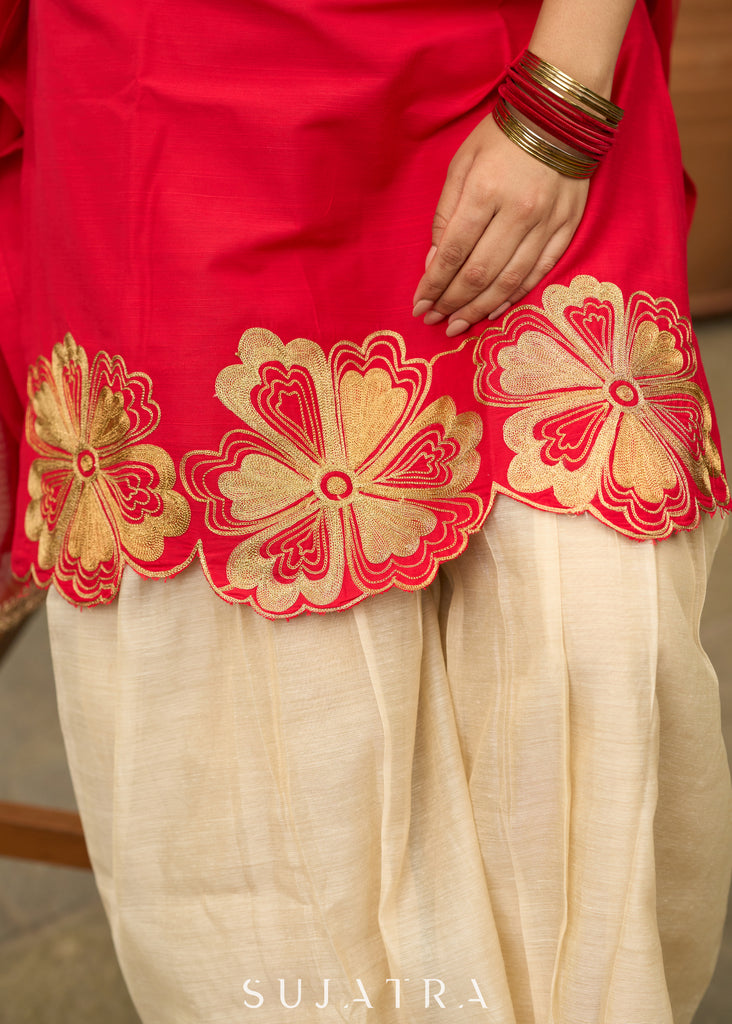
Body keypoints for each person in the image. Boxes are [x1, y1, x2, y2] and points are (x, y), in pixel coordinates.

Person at [1, 0, 730, 1021]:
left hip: (524, 62)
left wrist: (561, 100)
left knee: (600, 648)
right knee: (271, 745)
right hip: (169, 96)